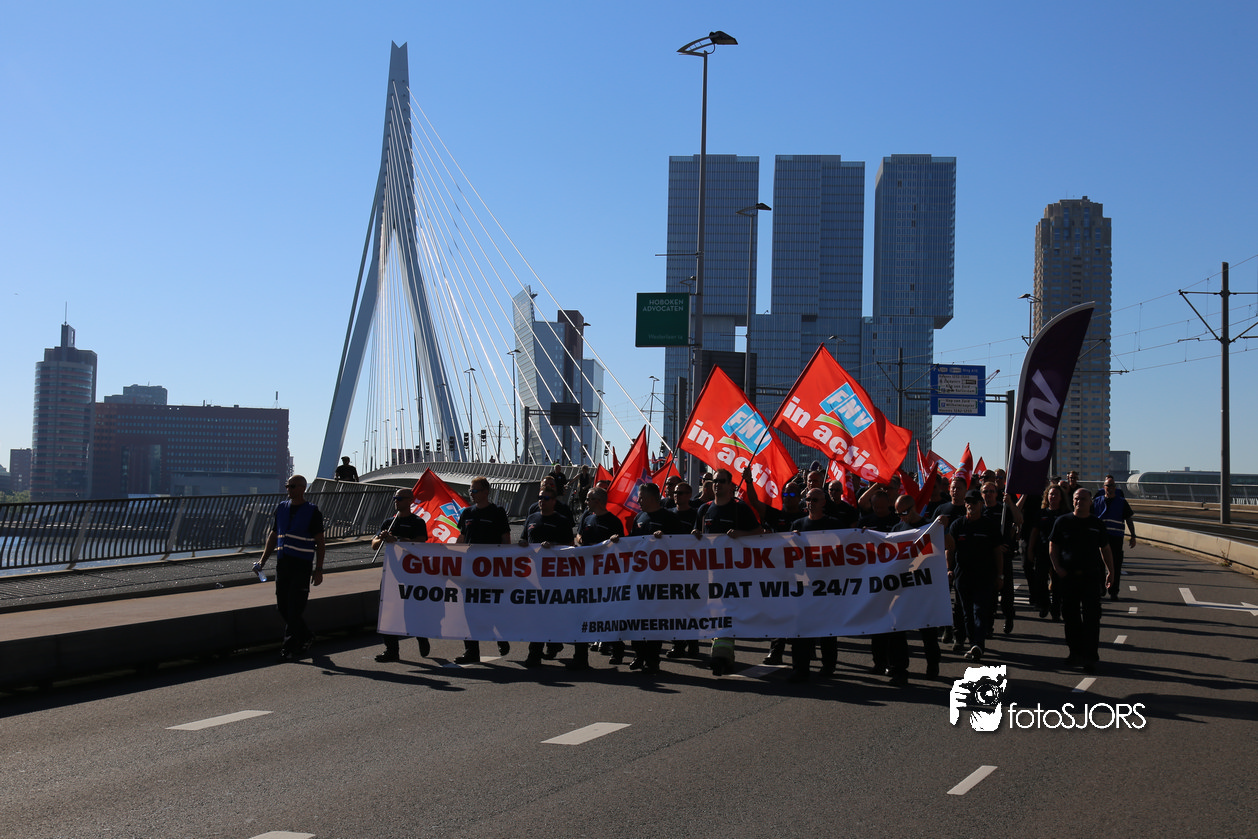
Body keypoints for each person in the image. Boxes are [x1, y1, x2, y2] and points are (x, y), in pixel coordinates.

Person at [693, 468, 764, 674]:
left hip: (733, 574)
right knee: (714, 612)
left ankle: (720, 655)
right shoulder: (704, 509)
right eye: (715, 481)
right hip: (709, 573)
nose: (717, 485)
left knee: (724, 611)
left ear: (730, 485)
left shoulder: (739, 508)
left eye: (722, 481)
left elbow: (759, 532)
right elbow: (696, 532)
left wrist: (741, 534)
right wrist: (695, 534)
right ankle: (724, 654)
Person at [256, 475, 325, 662]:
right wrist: (262, 561)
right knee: (282, 606)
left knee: (295, 607)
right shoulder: (281, 508)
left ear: (302, 488)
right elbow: (273, 535)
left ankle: (289, 647)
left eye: (292, 486)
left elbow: (320, 542)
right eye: (287, 486)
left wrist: (318, 569)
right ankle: (306, 636)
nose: (288, 489)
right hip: (283, 563)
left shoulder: (312, 511)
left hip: (302, 565)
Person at [1049, 488, 1115, 672]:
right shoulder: (1063, 521)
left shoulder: (1096, 524)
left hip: (1091, 577)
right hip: (1069, 577)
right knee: (1071, 617)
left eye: (1083, 499)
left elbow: (1105, 549)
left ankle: (1090, 657)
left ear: (1090, 502)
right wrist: (1057, 568)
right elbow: (1053, 545)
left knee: (1092, 618)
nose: (1079, 502)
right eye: (1076, 499)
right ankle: (1075, 652)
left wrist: (1111, 571)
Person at [626, 482, 687, 673]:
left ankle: (652, 659)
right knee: (636, 617)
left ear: (652, 498)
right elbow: (632, 543)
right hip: (639, 578)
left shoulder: (669, 518)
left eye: (641, 497)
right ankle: (639, 654)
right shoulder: (639, 517)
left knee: (654, 620)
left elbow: (682, 545)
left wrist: (666, 538)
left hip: (660, 579)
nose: (638, 501)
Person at [783, 488, 842, 682]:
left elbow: (847, 546)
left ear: (823, 502)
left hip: (826, 585)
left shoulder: (834, 524)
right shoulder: (798, 525)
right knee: (801, 627)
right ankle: (800, 668)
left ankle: (828, 665)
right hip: (804, 586)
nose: (810, 503)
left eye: (815, 499)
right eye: (808, 499)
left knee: (827, 629)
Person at [454, 476, 512, 664]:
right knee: (468, 610)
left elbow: (505, 538)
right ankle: (471, 651)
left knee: (491, 607)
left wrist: (506, 563)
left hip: (492, 569)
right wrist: (449, 553)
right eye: (470, 491)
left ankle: (501, 636)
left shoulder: (497, 512)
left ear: (486, 492)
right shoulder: (467, 513)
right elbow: (462, 538)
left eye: (475, 490)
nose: (471, 494)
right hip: (470, 569)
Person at [945, 489, 1005, 662]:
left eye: (973, 502)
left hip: (984, 575)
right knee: (967, 613)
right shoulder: (957, 525)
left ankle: (978, 643)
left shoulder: (989, 525)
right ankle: (973, 644)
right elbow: (950, 549)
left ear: (980, 504)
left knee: (979, 610)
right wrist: (949, 569)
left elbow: (997, 552)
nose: (970, 505)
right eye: (967, 502)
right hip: (962, 575)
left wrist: (1000, 575)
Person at [889, 494, 942, 681]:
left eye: (904, 513)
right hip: (903, 587)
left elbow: (946, 546)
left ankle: (933, 664)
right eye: (898, 514)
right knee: (897, 628)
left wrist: (941, 529)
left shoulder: (929, 527)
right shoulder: (897, 529)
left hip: (923, 587)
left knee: (927, 630)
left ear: (913, 509)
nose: (901, 517)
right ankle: (899, 669)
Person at [374, 488, 430, 662]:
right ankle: (391, 650)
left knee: (411, 611)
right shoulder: (389, 522)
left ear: (409, 501)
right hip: (391, 573)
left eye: (399, 498)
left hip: (411, 574)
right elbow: (374, 545)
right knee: (387, 612)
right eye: (395, 498)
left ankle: (421, 636)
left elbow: (420, 543)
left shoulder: (417, 522)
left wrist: (397, 540)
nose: (396, 501)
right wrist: (382, 538)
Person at [519, 488, 574, 667]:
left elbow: (570, 547)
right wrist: (522, 544)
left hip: (554, 576)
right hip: (533, 575)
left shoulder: (562, 521)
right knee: (536, 615)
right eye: (540, 497)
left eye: (546, 497)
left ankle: (552, 643)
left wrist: (554, 546)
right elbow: (523, 539)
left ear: (554, 501)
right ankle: (535, 653)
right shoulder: (531, 518)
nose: (542, 500)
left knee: (550, 613)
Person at [572, 487, 625, 669]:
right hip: (586, 574)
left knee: (606, 615)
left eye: (589, 499)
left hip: (605, 577)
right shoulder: (587, 518)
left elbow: (621, 547)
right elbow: (578, 537)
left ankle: (617, 647)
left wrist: (614, 541)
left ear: (599, 501)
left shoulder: (613, 521)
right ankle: (580, 658)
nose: (586, 502)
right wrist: (579, 540)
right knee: (581, 615)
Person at [1093, 476, 1137, 600]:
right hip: (1100, 538)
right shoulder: (1096, 502)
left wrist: (1133, 536)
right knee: (1099, 565)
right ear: (1104, 487)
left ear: (1115, 487)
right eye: (1108, 486)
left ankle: (1113, 591)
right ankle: (1101, 589)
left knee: (1116, 565)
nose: (1110, 488)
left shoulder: (1122, 502)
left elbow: (1129, 519)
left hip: (1116, 538)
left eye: (1112, 485)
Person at [1028, 483, 1068, 620]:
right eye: (1051, 494)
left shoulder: (1065, 514)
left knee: (1057, 582)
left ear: (1061, 497)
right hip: (1042, 551)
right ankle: (1044, 605)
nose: (1053, 497)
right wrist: (1030, 550)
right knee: (1040, 580)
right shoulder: (1041, 513)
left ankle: (1056, 609)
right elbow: (1034, 533)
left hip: (1059, 553)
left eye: (1056, 494)